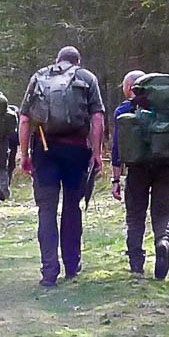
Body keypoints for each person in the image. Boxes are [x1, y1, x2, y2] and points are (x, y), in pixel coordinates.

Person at [19, 46, 106, 287]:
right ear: (78, 61)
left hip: (44, 151)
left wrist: (24, 153)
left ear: (57, 61)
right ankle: (71, 264)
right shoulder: (87, 79)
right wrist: (96, 153)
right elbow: (97, 118)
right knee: (71, 206)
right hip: (76, 150)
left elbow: (25, 119)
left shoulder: (39, 77)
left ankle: (49, 270)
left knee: (46, 210)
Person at [111, 71, 169, 280]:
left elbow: (118, 149)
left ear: (131, 88)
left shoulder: (125, 112)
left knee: (135, 217)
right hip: (166, 167)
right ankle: (163, 243)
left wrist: (116, 179)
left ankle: (136, 264)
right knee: (163, 214)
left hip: (137, 170)